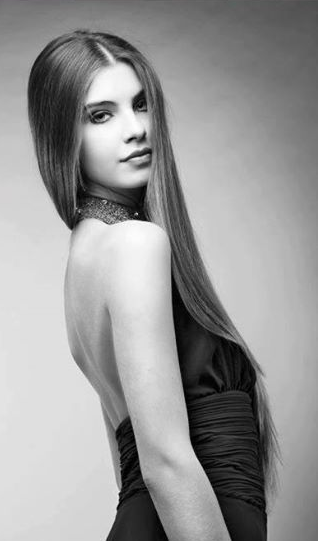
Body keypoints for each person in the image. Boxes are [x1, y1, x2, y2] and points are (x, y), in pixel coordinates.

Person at [27, 29, 281, 540]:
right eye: (101, 115)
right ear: (61, 134)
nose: (136, 129)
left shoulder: (86, 253)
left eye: (140, 105)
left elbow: (128, 458)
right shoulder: (134, 244)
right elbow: (163, 463)